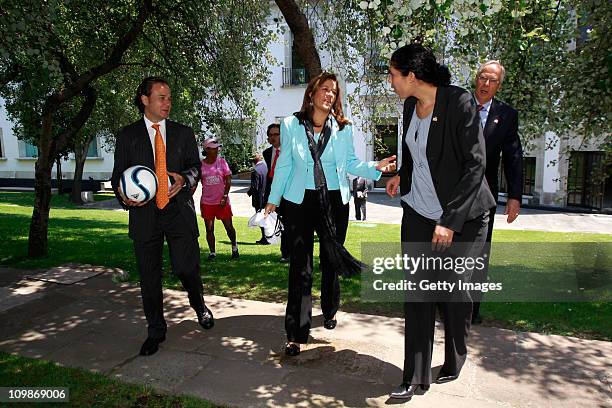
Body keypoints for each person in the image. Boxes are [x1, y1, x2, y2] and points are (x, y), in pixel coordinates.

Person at [385, 44, 496, 399]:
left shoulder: (459, 102)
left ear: (412, 76)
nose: (390, 81)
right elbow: (416, 152)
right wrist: (401, 174)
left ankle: (455, 357)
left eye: (393, 74)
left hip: (464, 216)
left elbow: (475, 165)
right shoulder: (409, 105)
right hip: (418, 212)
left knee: (454, 292)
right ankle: (413, 377)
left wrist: (449, 220)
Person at [264, 72, 396, 357]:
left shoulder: (343, 128)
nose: (329, 95)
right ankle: (296, 334)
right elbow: (285, 165)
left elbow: (349, 162)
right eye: (324, 90)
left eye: (334, 92)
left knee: (330, 260)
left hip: (334, 201)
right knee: (300, 268)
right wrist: (272, 201)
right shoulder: (290, 125)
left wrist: (376, 167)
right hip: (299, 202)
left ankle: (329, 308)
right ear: (311, 93)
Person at [111, 77, 214, 357]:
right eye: (161, 97)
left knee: (186, 268)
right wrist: (125, 196)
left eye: (169, 97)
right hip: (145, 216)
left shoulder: (183, 133)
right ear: (145, 100)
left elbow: (197, 168)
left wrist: (183, 178)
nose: (167, 103)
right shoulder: (127, 136)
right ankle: (155, 330)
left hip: (178, 212)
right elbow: (118, 176)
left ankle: (199, 305)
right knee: (149, 277)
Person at [471, 60, 523, 324]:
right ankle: (445, 307)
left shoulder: (507, 115)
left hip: (485, 196)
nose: (486, 84)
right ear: (476, 78)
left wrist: (514, 196)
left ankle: (472, 311)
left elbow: (513, 157)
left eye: (492, 80)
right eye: (483, 78)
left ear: (498, 85)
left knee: (479, 254)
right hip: (451, 195)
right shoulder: (458, 106)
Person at [199, 136, 239, 260]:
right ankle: (212, 253)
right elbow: (196, 181)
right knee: (209, 228)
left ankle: (234, 247)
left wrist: (225, 196)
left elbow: (228, 180)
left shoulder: (222, 162)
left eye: (217, 148)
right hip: (207, 202)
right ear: (206, 150)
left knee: (229, 227)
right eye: (213, 149)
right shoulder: (200, 165)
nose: (216, 151)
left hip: (222, 201)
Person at [263, 123, 290, 262]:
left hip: (289, 193)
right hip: (274, 194)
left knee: (290, 223)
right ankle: (285, 253)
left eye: (276, 134)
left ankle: (289, 253)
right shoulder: (267, 153)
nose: (273, 137)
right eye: (270, 135)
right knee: (280, 224)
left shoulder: (289, 151)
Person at [247, 152, 269, 244]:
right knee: (267, 217)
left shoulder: (255, 170)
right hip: (267, 197)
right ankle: (268, 236)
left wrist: (249, 193)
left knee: (260, 218)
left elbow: (254, 187)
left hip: (259, 198)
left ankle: (265, 238)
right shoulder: (266, 167)